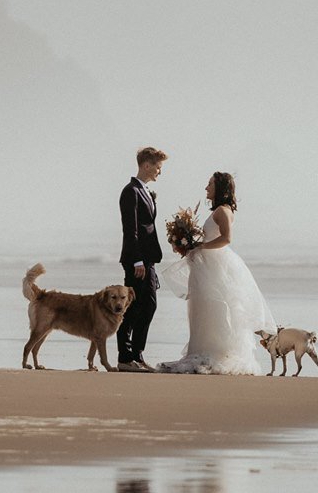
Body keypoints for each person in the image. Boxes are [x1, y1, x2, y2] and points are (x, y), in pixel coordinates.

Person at [158, 170, 276, 375]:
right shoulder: (218, 211)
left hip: (214, 266)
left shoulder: (222, 211)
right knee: (203, 309)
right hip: (207, 264)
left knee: (212, 307)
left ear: (219, 188)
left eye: (210, 184)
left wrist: (200, 247)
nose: (206, 188)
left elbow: (226, 239)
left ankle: (213, 351)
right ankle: (202, 348)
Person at [115, 146, 166, 372]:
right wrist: (136, 261)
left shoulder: (145, 191)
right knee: (132, 309)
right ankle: (124, 358)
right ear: (146, 165)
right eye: (157, 166)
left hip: (149, 260)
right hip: (137, 261)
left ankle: (137, 354)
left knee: (149, 307)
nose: (159, 171)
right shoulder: (131, 191)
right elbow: (131, 229)